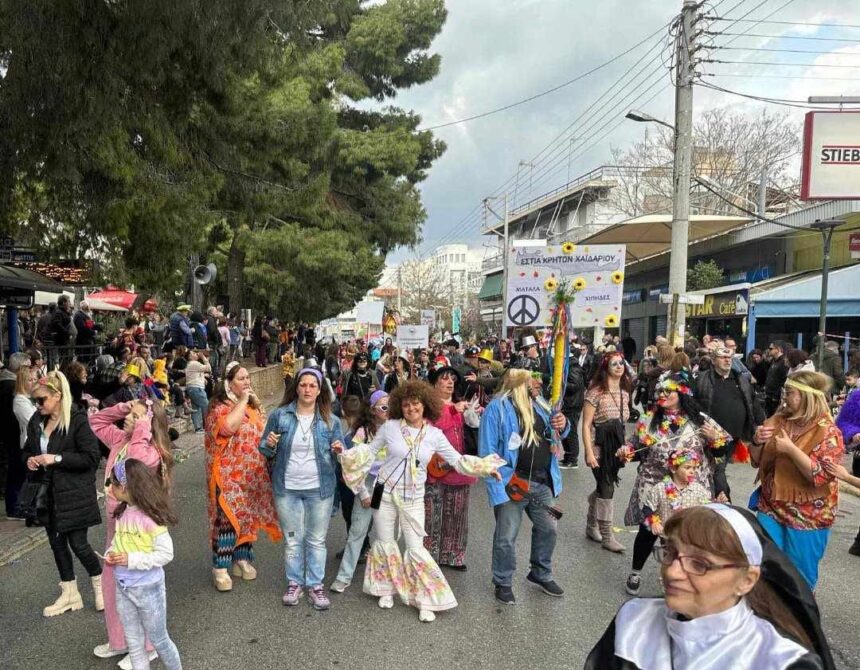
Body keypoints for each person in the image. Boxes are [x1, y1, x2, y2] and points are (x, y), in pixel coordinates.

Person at [585, 504, 833, 670]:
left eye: (700, 564)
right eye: (671, 552)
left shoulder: (780, 660)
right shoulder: (634, 620)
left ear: (747, 580)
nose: (672, 571)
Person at [337, 380, 503, 622]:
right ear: (399, 407)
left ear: (425, 405)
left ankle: (425, 598)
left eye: (415, 404)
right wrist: (345, 455)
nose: (411, 408)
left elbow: (457, 460)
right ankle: (386, 589)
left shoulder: (434, 435)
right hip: (382, 493)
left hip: (413, 496)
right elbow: (368, 452)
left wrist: (486, 468)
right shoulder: (390, 427)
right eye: (405, 405)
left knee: (415, 548)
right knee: (384, 543)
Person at [89, 398, 174, 665]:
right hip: (116, 525)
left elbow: (134, 460)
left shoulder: (147, 450)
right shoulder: (120, 440)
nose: (128, 419)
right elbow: (96, 421)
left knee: (139, 589)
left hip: (138, 530)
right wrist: (123, 408)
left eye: (135, 416)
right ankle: (120, 641)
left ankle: (147, 646)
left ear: (149, 425)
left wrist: (141, 427)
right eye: (130, 415)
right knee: (112, 584)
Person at [478, 368, 569, 605]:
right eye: (533, 380)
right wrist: (498, 487)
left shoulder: (541, 405)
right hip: (511, 484)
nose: (539, 383)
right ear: (519, 383)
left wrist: (564, 423)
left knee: (549, 528)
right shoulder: (496, 409)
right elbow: (487, 453)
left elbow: (559, 433)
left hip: (542, 482)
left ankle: (540, 573)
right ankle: (503, 581)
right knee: (506, 536)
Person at [259, 368, 344, 611]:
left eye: (312, 386)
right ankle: (294, 583)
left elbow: (341, 455)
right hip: (287, 487)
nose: (307, 390)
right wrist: (269, 444)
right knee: (293, 540)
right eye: (303, 385)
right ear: (296, 388)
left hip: (320, 488)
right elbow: (264, 449)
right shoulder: (280, 416)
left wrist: (339, 449)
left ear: (319, 391)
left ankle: (315, 585)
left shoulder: (331, 420)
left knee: (316, 540)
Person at [750, 370, 844, 590]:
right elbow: (756, 461)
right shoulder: (778, 420)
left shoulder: (829, 432)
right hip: (771, 506)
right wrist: (756, 441)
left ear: (805, 396)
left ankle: (797, 620)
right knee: (764, 566)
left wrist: (791, 450)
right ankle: (769, 617)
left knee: (798, 578)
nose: (784, 396)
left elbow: (820, 476)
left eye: (789, 392)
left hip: (808, 516)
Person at [23, 371, 103, 617]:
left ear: (57, 396)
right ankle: (70, 593)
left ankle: (100, 585)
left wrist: (56, 458)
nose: (38, 405)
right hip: (47, 494)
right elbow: (27, 450)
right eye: (35, 400)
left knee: (79, 544)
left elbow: (91, 457)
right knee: (57, 544)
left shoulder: (77, 420)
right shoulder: (36, 421)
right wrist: (30, 460)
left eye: (42, 400)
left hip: (74, 493)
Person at [205, 363, 281, 592]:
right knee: (227, 519)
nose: (247, 382)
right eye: (241, 378)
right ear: (228, 383)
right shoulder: (219, 408)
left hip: (252, 475)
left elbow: (263, 431)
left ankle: (242, 558)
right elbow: (227, 428)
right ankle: (220, 567)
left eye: (248, 378)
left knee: (247, 516)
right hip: (227, 475)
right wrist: (243, 401)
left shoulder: (253, 406)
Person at [105, 459, 182, 670]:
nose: (109, 487)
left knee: (159, 640)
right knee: (135, 643)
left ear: (124, 486)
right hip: (124, 586)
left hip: (148, 589)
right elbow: (117, 542)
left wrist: (131, 559)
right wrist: (111, 553)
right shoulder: (122, 512)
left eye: (111, 482)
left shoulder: (151, 519)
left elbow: (166, 554)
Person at [625, 448, 713, 596]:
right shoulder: (660, 488)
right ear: (673, 468)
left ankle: (674, 586)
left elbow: (708, 507)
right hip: (663, 527)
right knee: (646, 534)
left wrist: (718, 504)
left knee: (677, 560)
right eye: (687, 467)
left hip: (685, 533)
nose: (692, 471)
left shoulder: (698, 490)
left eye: (694, 468)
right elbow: (647, 508)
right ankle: (635, 573)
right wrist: (653, 522)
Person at [329, 392, 388, 593]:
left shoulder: (398, 430)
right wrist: (363, 493)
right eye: (383, 407)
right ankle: (344, 576)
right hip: (369, 482)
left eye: (391, 406)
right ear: (372, 409)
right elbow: (353, 464)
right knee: (357, 531)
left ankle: (386, 579)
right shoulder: (362, 432)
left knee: (386, 535)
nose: (388, 411)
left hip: (389, 484)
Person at [424, 366, 479, 570]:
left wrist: (473, 414)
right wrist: (452, 410)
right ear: (435, 382)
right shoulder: (429, 406)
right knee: (433, 515)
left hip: (458, 468)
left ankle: (454, 555)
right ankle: (430, 555)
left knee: (458, 515)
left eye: (453, 380)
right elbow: (430, 428)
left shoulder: (460, 405)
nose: (450, 383)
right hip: (435, 467)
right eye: (444, 379)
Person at [695, 346, 765, 501]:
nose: (727, 360)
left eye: (730, 358)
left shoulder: (741, 379)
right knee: (717, 468)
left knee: (717, 468)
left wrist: (761, 424)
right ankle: (724, 498)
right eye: (722, 357)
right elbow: (694, 404)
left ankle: (718, 499)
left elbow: (753, 403)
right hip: (710, 435)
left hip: (733, 436)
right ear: (713, 360)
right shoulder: (702, 379)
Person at [582, 352, 633, 553]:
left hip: (616, 448)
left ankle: (591, 524)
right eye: (614, 364)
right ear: (606, 368)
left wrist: (626, 447)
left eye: (622, 363)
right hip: (598, 446)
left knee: (605, 485)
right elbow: (586, 425)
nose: (619, 366)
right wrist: (589, 452)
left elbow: (623, 424)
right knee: (607, 487)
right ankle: (607, 536)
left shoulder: (625, 393)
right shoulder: (595, 392)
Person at [1, 352, 32, 518]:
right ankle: (14, 507)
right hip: (14, 434)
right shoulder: (10, 387)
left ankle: (17, 505)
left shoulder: (8, 384)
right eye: (27, 367)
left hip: (13, 434)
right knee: (17, 471)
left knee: (17, 471)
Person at [560, 350, 586, 469]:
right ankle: (568, 456)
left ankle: (572, 459)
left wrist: (560, 382)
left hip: (573, 404)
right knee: (565, 430)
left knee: (571, 431)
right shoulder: (569, 366)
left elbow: (575, 386)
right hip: (569, 403)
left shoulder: (573, 367)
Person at [184, 350, 211, 433]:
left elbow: (195, 374)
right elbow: (208, 368)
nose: (196, 354)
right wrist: (203, 358)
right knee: (207, 406)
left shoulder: (190, 365)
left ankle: (198, 428)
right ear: (190, 357)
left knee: (196, 408)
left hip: (191, 388)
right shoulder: (194, 363)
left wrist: (203, 378)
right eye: (193, 353)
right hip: (197, 388)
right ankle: (209, 426)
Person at [764, 340, 790, 417]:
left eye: (771, 348)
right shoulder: (774, 361)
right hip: (769, 395)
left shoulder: (783, 362)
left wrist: (776, 396)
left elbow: (783, 380)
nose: (769, 350)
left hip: (775, 397)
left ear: (778, 349)